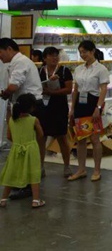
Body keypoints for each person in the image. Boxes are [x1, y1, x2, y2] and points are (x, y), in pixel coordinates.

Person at [0, 38, 43, 200]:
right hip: (23, 107)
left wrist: (5, 93)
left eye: (0, 52)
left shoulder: (20, 62)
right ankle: (27, 179)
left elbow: (13, 86)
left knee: (26, 146)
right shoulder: (15, 63)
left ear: (9, 49)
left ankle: (28, 184)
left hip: (29, 107)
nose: (0, 57)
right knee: (22, 145)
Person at [68, 40, 110, 182]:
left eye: (85, 52)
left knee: (95, 138)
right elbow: (75, 90)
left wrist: (98, 107)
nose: (82, 55)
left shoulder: (101, 69)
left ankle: (97, 170)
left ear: (92, 51)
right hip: (80, 104)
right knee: (80, 139)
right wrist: (72, 108)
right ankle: (81, 169)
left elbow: (103, 89)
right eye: (80, 52)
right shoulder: (78, 69)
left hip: (93, 103)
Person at [0, 94, 45, 208]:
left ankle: (3, 199)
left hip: (16, 149)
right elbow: (41, 134)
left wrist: (18, 142)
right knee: (34, 174)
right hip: (31, 150)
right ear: (31, 107)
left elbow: (9, 136)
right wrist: (31, 140)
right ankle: (36, 200)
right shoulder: (34, 120)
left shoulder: (12, 120)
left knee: (11, 173)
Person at [37, 46, 73, 178]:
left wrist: (52, 92)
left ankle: (67, 166)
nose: (54, 58)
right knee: (41, 137)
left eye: (56, 55)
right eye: (51, 55)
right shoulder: (39, 71)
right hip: (43, 107)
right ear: (44, 58)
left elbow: (69, 89)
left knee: (62, 137)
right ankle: (40, 166)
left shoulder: (64, 71)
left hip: (59, 107)